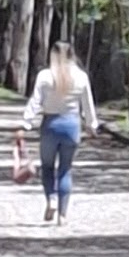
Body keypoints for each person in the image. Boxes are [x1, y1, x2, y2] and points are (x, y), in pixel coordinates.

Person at [25, 35, 99, 223]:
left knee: (48, 167)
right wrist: (91, 125)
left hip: (50, 124)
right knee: (65, 169)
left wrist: (26, 122)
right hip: (72, 126)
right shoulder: (81, 77)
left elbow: (35, 101)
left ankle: (51, 199)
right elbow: (87, 104)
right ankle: (63, 215)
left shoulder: (45, 76)